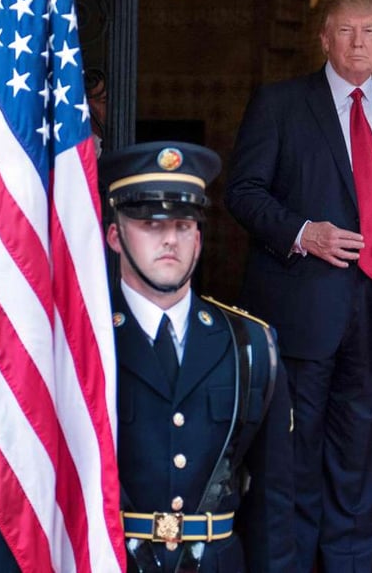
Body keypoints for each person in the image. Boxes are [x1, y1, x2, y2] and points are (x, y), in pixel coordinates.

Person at [225, 0, 372, 572]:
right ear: (324, 37)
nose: (358, 42)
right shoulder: (282, 103)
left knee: (356, 462)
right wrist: (302, 232)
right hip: (300, 311)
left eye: (370, 32)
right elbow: (242, 193)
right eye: (346, 31)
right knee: (291, 462)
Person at [101, 141, 295, 572]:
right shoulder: (86, 341)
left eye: (184, 224)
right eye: (151, 224)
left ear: (199, 237)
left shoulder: (250, 345)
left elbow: (273, 504)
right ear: (116, 236)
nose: (170, 238)